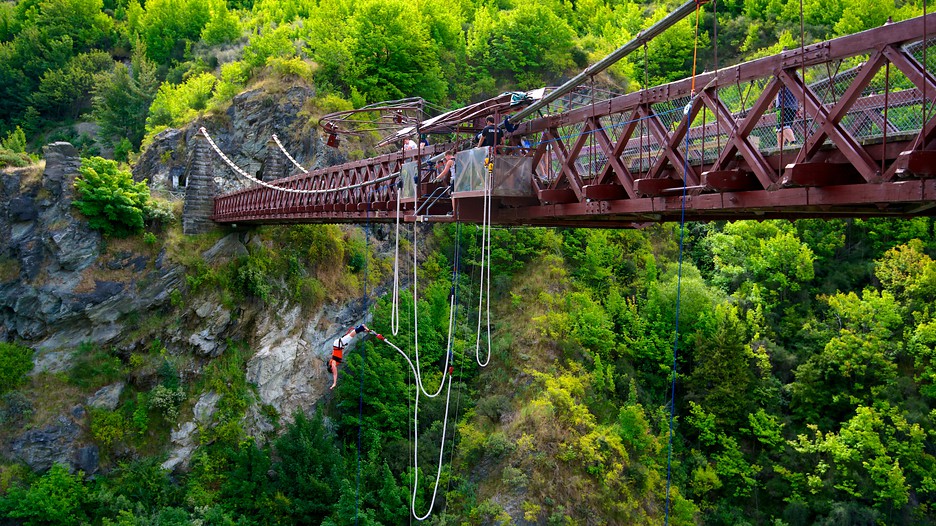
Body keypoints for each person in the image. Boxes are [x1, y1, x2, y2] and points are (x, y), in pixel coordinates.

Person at [328, 324, 368, 389]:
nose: (334, 370)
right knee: (350, 336)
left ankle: (361, 327)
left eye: (332, 370)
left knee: (350, 336)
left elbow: (335, 374)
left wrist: (334, 383)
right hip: (339, 345)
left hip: (338, 345)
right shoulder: (333, 362)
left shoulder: (333, 364)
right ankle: (361, 328)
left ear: (331, 368)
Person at [434, 149, 456, 215]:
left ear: (447, 155)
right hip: (460, 179)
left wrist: (437, 177)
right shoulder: (458, 159)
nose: (445, 159)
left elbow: (445, 172)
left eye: (445, 157)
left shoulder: (450, 161)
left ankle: (454, 210)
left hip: (454, 179)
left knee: (453, 195)